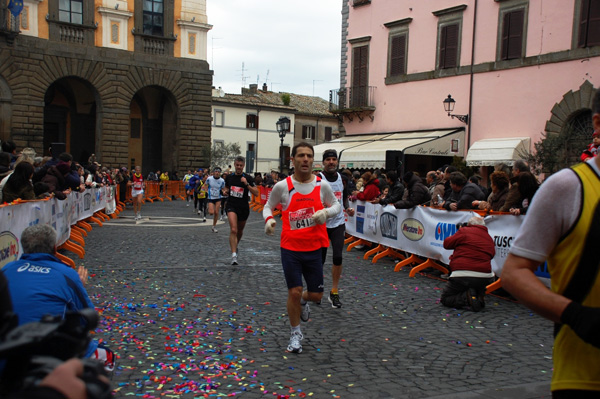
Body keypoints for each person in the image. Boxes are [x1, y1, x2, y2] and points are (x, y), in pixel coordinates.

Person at [501, 89, 600, 397]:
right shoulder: (568, 187)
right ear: (597, 124)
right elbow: (514, 272)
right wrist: (576, 315)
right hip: (585, 378)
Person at [1, 225, 115, 372]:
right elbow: (87, 319)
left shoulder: (6, 270)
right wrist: (79, 286)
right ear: (55, 249)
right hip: (50, 357)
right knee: (108, 357)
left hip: (7, 353)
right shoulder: (67, 274)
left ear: (23, 248)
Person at [263, 142, 341, 353]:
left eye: (309, 156)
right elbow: (268, 206)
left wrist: (326, 213)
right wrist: (269, 220)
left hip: (315, 247)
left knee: (315, 296)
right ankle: (295, 333)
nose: (305, 159)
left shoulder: (321, 185)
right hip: (290, 247)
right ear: (293, 160)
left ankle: (305, 302)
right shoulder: (283, 186)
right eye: (301, 156)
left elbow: (337, 205)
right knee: (295, 291)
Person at [319, 149, 355, 308]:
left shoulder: (343, 178)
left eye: (334, 159)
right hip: (321, 223)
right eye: (328, 160)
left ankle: (334, 291)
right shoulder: (317, 179)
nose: (331, 162)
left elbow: (344, 196)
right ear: (323, 162)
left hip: (338, 223)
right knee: (319, 259)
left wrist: (347, 208)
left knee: (338, 257)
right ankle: (317, 287)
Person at [440, 217, 495, 311]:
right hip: (485, 275)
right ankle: (478, 295)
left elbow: (447, 243)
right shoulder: (489, 238)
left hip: (462, 273)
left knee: (446, 299)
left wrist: (460, 231)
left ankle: (467, 298)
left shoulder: (464, 231)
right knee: (476, 283)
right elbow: (492, 254)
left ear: (469, 224)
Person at [224, 156, 259, 265]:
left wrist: (246, 184)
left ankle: (235, 246)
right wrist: (225, 191)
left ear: (243, 166)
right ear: (234, 165)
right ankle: (234, 255)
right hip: (231, 205)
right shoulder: (229, 177)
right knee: (233, 229)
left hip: (243, 207)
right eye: (237, 165)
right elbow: (225, 188)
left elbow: (256, 192)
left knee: (239, 231)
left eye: (241, 165)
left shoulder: (248, 178)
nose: (239, 167)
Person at [206, 168, 226, 233]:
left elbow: (223, 188)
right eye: (216, 172)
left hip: (218, 197)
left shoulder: (222, 180)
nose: (217, 173)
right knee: (211, 213)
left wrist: (224, 192)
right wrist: (206, 191)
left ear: (220, 173)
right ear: (214, 172)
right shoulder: (209, 179)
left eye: (218, 172)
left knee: (216, 212)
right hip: (211, 197)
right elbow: (205, 185)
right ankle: (208, 208)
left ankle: (214, 226)